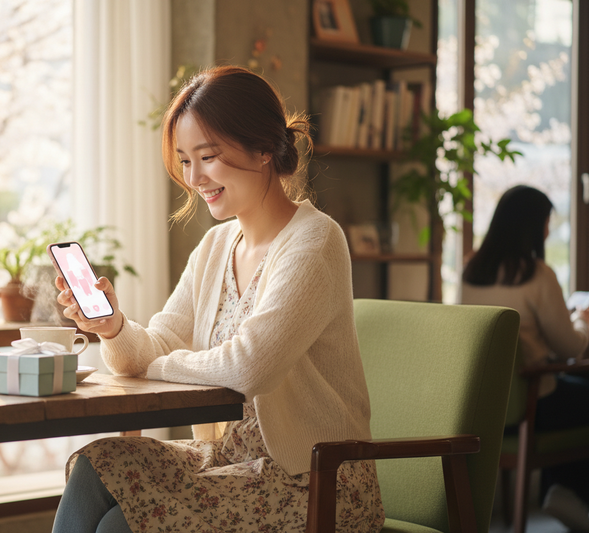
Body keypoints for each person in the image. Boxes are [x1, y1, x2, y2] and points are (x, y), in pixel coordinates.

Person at [51, 65, 384, 533]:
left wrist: (157, 363)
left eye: (208, 156)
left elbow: (251, 368)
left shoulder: (315, 242)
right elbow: (156, 346)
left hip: (315, 480)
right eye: (186, 161)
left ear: (264, 148)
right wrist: (115, 328)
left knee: (121, 526)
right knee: (96, 465)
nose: (195, 177)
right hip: (230, 461)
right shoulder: (214, 247)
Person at [460, 185, 589, 531]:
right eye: (546, 220)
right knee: (576, 393)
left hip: (488, 408)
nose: (549, 229)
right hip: (533, 403)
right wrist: (582, 319)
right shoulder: (536, 274)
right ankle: (568, 492)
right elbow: (571, 348)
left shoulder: (471, 272)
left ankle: (561, 492)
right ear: (531, 224)